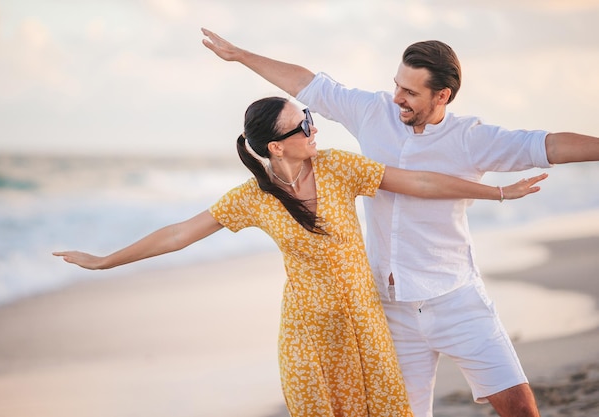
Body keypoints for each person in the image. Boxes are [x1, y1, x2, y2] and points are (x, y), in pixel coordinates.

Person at [54, 96, 545, 417]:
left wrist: (497, 194)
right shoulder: (253, 198)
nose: (314, 126)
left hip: (366, 327)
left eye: (310, 117)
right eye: (302, 125)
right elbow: (181, 233)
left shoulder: (337, 168)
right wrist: (105, 261)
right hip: (308, 336)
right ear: (276, 146)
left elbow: (416, 182)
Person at [200, 28, 599, 417]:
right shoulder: (373, 111)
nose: (397, 98)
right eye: (397, 85)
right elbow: (308, 84)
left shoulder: (472, 138)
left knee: (519, 406)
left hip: (454, 297)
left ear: (441, 95)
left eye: (410, 92)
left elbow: (548, 145)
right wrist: (241, 56)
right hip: (389, 309)